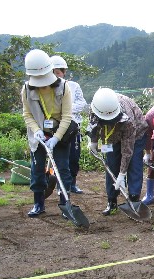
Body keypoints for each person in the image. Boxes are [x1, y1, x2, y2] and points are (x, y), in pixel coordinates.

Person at [22, 49, 76, 218]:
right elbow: (27, 114)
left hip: (60, 132)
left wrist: (56, 138)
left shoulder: (64, 87)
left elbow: (67, 116)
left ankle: (64, 203)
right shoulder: (26, 89)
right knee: (37, 170)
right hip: (38, 134)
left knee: (62, 169)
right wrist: (37, 131)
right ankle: (38, 203)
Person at [87, 88, 148, 215]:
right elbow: (93, 126)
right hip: (111, 138)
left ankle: (134, 198)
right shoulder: (95, 108)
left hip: (136, 134)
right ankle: (112, 201)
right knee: (111, 163)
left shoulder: (129, 120)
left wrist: (122, 175)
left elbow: (127, 151)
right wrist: (93, 142)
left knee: (134, 163)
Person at [51, 55, 88, 194]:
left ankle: (72, 183)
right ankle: (60, 185)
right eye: (53, 73)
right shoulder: (48, 88)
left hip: (73, 128)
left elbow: (82, 103)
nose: (56, 76)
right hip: (57, 128)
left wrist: (66, 109)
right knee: (60, 158)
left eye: (58, 73)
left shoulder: (73, 86)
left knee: (74, 157)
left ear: (64, 72)